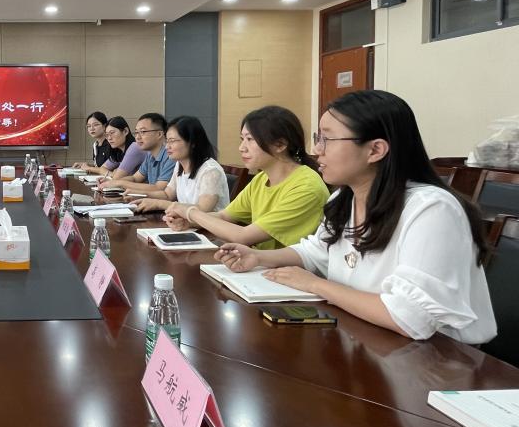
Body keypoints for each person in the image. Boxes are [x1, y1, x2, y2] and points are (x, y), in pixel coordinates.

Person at [216, 91, 496, 343]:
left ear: (375, 150)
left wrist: (315, 285)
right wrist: (258, 257)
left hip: (436, 360)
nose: (317, 149)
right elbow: (317, 252)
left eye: (327, 139)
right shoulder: (344, 198)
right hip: (368, 340)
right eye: (318, 138)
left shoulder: (432, 210)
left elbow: (410, 317)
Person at [165, 105, 328, 249]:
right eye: (242, 139)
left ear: (280, 145)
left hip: (289, 271)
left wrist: (191, 213)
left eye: (250, 139)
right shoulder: (261, 179)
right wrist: (189, 221)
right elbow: (225, 216)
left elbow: (243, 236)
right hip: (260, 265)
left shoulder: (306, 187)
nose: (241, 148)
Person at [132, 116, 229, 214]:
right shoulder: (180, 164)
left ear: (192, 142)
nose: (167, 147)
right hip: (185, 222)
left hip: (206, 224)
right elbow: (167, 195)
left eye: (172, 141)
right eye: (167, 141)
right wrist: (138, 195)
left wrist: (159, 204)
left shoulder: (211, 171)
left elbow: (202, 209)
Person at [98, 113, 176, 193]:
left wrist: (120, 183)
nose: (138, 137)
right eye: (136, 132)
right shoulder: (150, 155)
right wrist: (113, 182)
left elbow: (159, 188)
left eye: (143, 132)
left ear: (159, 134)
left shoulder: (171, 156)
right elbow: (135, 178)